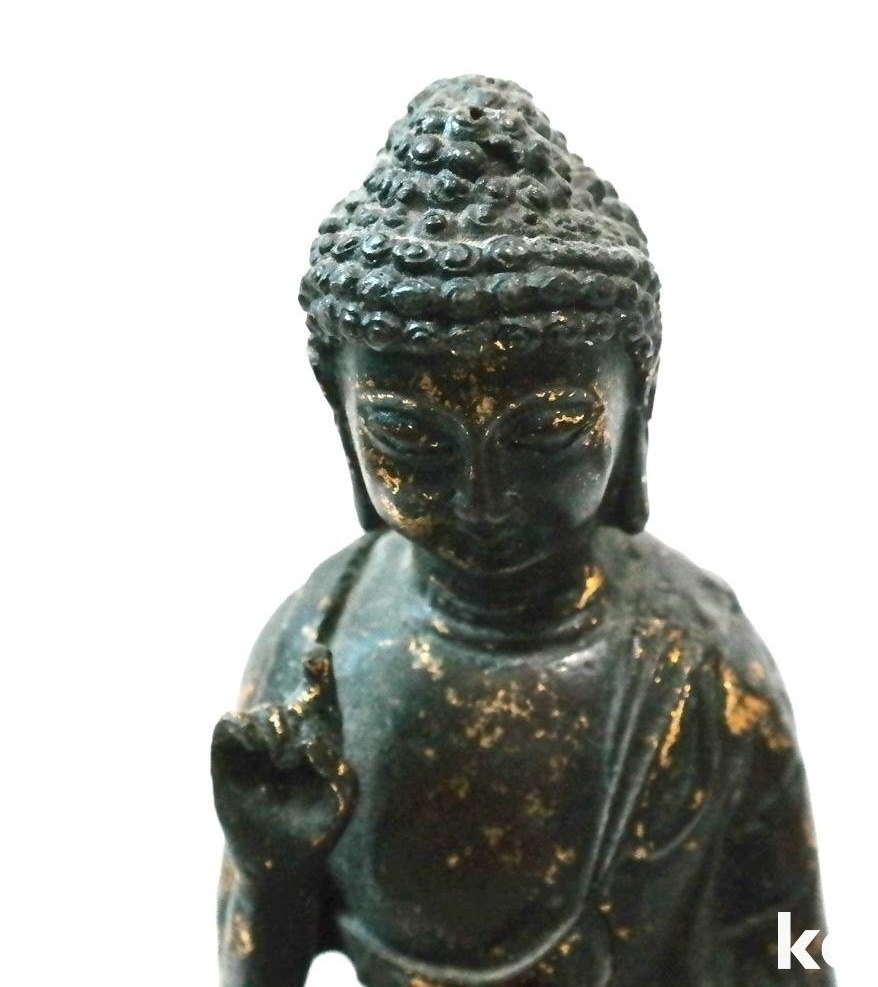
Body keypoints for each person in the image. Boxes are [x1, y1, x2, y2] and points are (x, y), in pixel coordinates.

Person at [212, 75, 833, 986]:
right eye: (412, 440)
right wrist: (273, 872)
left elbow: (788, 941)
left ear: (636, 402)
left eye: (545, 434)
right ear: (343, 421)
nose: (485, 499)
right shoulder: (318, 647)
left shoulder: (701, 668)